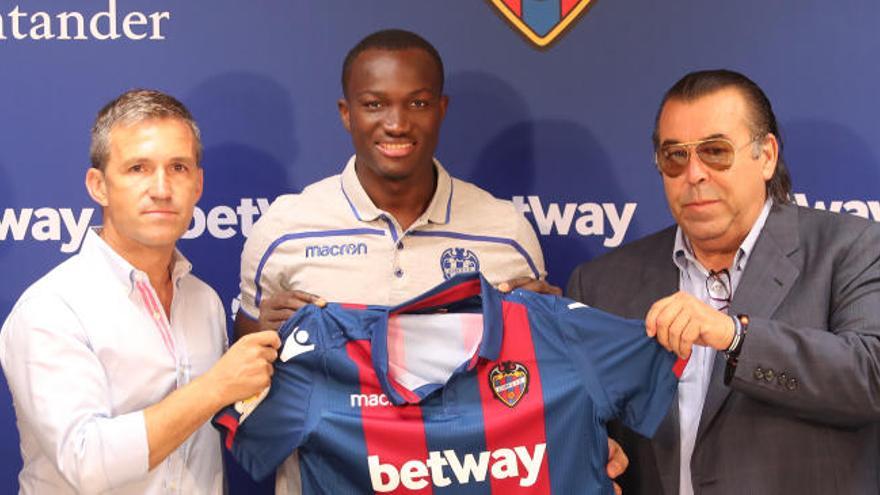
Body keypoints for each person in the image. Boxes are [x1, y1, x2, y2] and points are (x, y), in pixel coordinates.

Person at [234, 29, 626, 494]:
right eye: (374, 103)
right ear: (346, 113)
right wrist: (263, 339)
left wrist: (548, 333)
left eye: (417, 103)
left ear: (441, 110)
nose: (396, 123)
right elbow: (243, 393)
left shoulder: (505, 232)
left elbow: (532, 389)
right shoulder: (283, 231)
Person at [567, 69, 880, 494]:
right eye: (675, 156)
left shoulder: (851, 247)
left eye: (715, 151)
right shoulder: (601, 284)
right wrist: (590, 456)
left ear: (766, 155)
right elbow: (577, 421)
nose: (694, 173)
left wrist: (735, 336)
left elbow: (869, 379)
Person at [0, 89, 280, 494]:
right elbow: (87, 464)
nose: (162, 188)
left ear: (198, 185)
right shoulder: (51, 309)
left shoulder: (204, 301)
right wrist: (216, 385)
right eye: (138, 168)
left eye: (178, 167)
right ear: (98, 185)